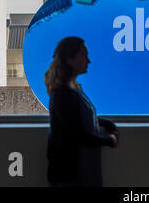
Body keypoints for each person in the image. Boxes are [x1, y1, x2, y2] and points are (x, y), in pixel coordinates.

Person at [45, 36, 119, 187]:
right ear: (70, 59)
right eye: (84, 55)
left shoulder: (72, 88)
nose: (89, 60)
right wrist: (109, 141)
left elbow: (81, 118)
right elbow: (77, 134)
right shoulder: (63, 93)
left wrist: (108, 124)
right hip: (69, 175)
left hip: (78, 172)